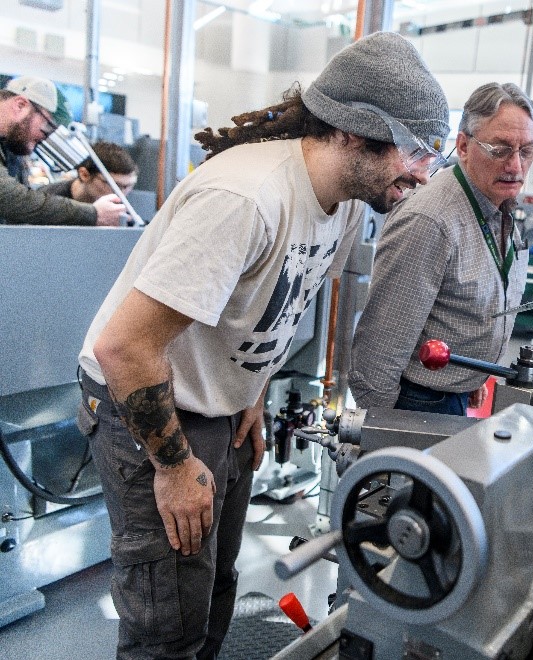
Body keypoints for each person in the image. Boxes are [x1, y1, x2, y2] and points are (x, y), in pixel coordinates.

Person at [76, 32, 449, 659]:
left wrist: (250, 392)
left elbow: (280, 300)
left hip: (217, 404)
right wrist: (171, 465)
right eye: (414, 151)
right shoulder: (244, 200)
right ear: (354, 133)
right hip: (144, 400)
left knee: (214, 584)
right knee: (167, 620)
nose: (424, 172)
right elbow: (126, 348)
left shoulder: (346, 201)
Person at [349, 82, 533, 416]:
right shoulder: (430, 220)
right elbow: (379, 351)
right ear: (463, 147)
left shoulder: (499, 208)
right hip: (417, 402)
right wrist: (380, 437)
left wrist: (474, 375)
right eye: (500, 150)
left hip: (456, 394)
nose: (515, 166)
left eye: (526, 151)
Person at [0, 76, 126, 226]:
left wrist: (72, 191)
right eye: (46, 129)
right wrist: (92, 214)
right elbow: (12, 200)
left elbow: (21, 206)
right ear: (20, 105)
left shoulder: (10, 147)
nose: (43, 139)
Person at [38, 140, 138, 203]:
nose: (122, 195)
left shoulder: (129, 206)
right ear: (84, 175)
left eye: (128, 186)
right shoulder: (45, 200)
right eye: (115, 186)